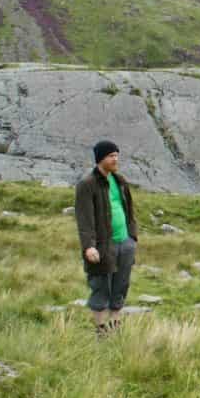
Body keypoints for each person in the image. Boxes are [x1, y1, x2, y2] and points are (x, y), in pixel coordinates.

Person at [75, 139, 138, 338]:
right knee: (101, 285)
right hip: (102, 246)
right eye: (111, 156)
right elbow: (84, 219)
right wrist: (88, 246)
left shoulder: (119, 181)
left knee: (121, 285)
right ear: (101, 158)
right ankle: (101, 331)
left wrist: (132, 236)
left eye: (117, 155)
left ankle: (115, 327)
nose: (115, 159)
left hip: (125, 242)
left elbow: (129, 209)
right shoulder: (87, 184)